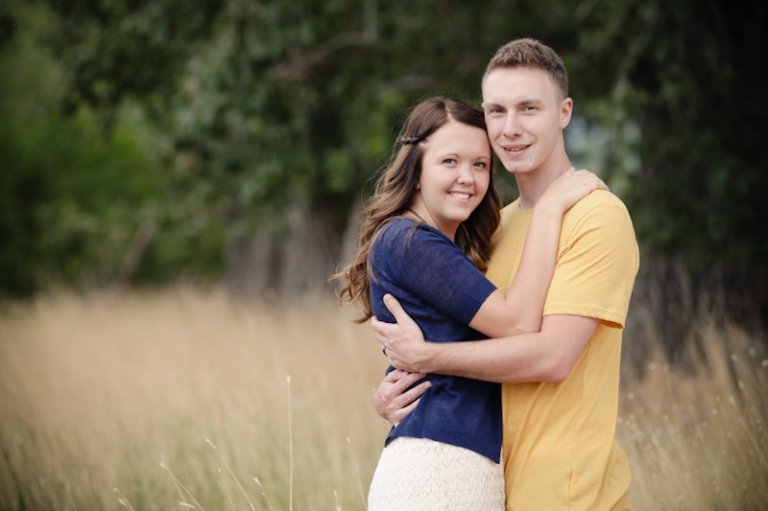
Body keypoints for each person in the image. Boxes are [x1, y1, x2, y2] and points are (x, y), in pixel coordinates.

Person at [371, 39, 639, 511]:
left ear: (564, 112)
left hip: (565, 492)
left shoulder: (596, 217)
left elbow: (552, 358)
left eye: (528, 108)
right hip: (485, 481)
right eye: (496, 111)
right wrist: (396, 389)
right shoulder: (494, 226)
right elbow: (456, 330)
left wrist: (429, 357)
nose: (510, 128)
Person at [332, 96, 606, 510]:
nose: (468, 177)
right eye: (450, 162)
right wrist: (549, 209)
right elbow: (517, 325)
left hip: (452, 465)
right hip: (440, 470)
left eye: (480, 164)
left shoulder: (435, 246)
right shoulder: (411, 241)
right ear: (416, 171)